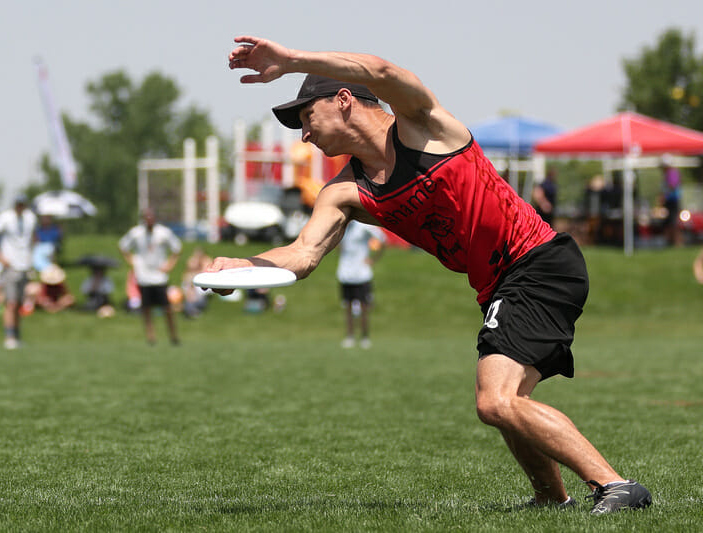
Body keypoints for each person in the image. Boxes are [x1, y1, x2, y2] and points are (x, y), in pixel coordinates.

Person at [207, 36, 652, 514]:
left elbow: (378, 71)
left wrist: (292, 60)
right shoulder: (345, 192)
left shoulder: (423, 127)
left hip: (537, 262)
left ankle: (617, 486)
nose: (304, 136)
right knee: (506, 398)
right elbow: (303, 254)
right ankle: (549, 497)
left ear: (343, 100)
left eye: (306, 117)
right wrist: (243, 267)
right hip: (501, 282)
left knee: (495, 399)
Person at [0, 193, 37, 349]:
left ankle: (17, 336)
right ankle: (9, 337)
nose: (20, 207)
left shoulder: (31, 218)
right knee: (10, 302)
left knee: (18, 303)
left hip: (25, 266)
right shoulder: (5, 217)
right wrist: (1, 258)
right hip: (10, 267)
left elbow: (32, 239)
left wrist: (32, 259)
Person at [119, 208, 182, 345]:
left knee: (167, 307)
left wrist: (170, 265)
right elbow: (123, 246)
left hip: (159, 276)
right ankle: (151, 336)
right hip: (143, 275)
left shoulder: (163, 233)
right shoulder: (136, 233)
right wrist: (132, 261)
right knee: (146, 308)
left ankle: (173, 335)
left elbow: (177, 248)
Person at [336, 220, 385, 349]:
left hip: (362, 274)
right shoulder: (342, 227)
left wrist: (373, 259)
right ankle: (350, 336)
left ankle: (364, 337)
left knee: (364, 307)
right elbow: (338, 247)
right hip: (345, 273)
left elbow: (382, 238)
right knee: (347, 307)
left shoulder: (364, 226)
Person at [660, 155, 682, 247]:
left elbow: (672, 186)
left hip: (673, 200)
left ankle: (676, 242)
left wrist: (665, 195)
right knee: (668, 222)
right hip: (670, 201)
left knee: (673, 222)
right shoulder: (668, 173)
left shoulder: (672, 172)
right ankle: (670, 241)